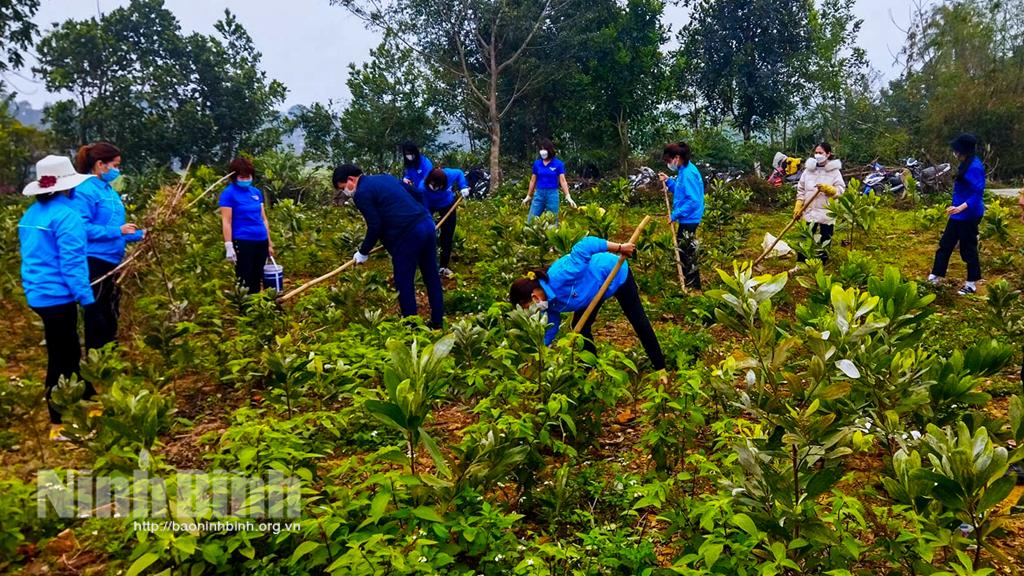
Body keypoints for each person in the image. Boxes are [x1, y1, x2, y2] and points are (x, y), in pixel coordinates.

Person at [18, 156, 98, 441]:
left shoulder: (31, 214)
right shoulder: (67, 216)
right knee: (61, 357)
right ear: (68, 186)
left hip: (38, 293)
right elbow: (72, 263)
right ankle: (59, 423)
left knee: (69, 350)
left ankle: (87, 398)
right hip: (57, 296)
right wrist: (87, 299)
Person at [508, 236, 665, 372]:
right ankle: (591, 367)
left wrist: (620, 247)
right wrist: (540, 353)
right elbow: (551, 329)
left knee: (637, 320)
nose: (533, 312)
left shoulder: (561, 275)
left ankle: (660, 368)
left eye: (528, 307)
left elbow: (587, 244)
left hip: (614, 272)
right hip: (592, 292)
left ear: (534, 297)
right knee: (580, 327)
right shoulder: (549, 304)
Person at [333, 164, 445, 328]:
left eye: (344, 187)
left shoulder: (361, 193)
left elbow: (375, 225)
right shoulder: (384, 177)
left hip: (407, 235)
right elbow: (418, 193)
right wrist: (423, 215)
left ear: (351, 179)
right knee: (432, 277)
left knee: (404, 282)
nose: (346, 192)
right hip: (427, 225)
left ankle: (411, 328)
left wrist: (363, 252)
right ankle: (437, 323)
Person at [71, 142, 144, 350]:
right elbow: (82, 228)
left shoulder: (109, 191)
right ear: (100, 164)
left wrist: (141, 235)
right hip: (94, 260)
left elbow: (118, 230)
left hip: (113, 260)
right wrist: (118, 231)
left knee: (111, 310)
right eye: (115, 165)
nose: (117, 170)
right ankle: (97, 356)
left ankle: (110, 354)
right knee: (97, 313)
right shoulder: (85, 190)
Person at [929, 133, 986, 295]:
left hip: (969, 215)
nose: (954, 152)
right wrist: (956, 208)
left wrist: (960, 208)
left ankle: (971, 283)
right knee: (945, 244)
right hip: (957, 214)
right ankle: (936, 275)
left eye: (956, 150)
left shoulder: (975, 167)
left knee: (968, 249)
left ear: (963, 151)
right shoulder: (965, 163)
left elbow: (977, 193)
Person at [219, 157, 275, 294]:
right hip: (243, 240)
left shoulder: (256, 193)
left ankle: (256, 304)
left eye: (248, 177)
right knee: (245, 278)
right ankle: (244, 304)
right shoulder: (229, 194)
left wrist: (269, 243)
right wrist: (229, 245)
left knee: (258, 276)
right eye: (242, 177)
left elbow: (263, 219)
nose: (245, 180)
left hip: (260, 239)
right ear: (234, 177)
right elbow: (226, 221)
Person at [659, 142, 705, 291]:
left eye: (668, 160)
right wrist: (668, 181)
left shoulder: (688, 174)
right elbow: (680, 192)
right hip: (687, 217)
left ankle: (694, 286)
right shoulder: (683, 171)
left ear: (677, 157)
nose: (668, 164)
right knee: (684, 249)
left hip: (690, 218)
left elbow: (693, 201)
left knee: (687, 252)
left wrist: (675, 215)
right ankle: (689, 282)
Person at [794, 142, 845, 264]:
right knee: (805, 236)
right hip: (809, 210)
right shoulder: (808, 171)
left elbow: (841, 190)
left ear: (828, 154)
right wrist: (798, 205)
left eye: (820, 153)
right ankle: (801, 263)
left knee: (825, 238)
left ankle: (822, 263)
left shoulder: (834, 172)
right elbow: (801, 189)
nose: (817, 155)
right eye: (816, 152)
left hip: (826, 211)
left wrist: (830, 190)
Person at [424, 167, 470, 278]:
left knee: (447, 235)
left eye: (439, 186)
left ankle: (443, 267)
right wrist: (429, 222)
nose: (436, 188)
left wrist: (463, 186)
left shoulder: (448, 175)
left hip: (447, 205)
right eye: (434, 186)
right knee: (427, 233)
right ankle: (427, 263)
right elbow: (424, 209)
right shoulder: (422, 188)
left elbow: (459, 173)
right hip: (430, 206)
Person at [522, 139, 576, 223]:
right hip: (539, 194)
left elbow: (562, 181)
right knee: (531, 221)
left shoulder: (558, 164)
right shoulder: (537, 164)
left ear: (549, 150)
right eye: (541, 149)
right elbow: (533, 180)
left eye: (544, 149)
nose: (542, 151)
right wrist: (528, 196)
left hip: (552, 194)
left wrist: (568, 196)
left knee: (553, 222)